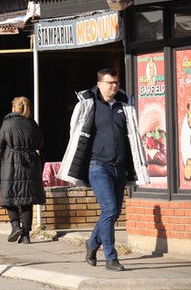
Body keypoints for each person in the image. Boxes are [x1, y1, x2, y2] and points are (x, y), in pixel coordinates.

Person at [58, 68, 150, 271]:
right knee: (109, 209)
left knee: (114, 212)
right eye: (110, 83)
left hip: (119, 166)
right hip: (97, 165)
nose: (115, 86)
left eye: (117, 82)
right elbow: (76, 132)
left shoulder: (125, 104)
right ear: (99, 83)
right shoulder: (88, 104)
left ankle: (92, 243)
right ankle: (110, 257)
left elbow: (132, 134)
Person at [0, 96, 46, 244]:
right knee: (27, 200)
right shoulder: (32, 124)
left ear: (13, 108)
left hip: (11, 162)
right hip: (30, 163)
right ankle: (25, 235)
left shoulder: (7, 124)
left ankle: (15, 225)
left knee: (10, 197)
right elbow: (40, 143)